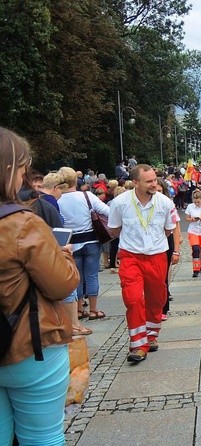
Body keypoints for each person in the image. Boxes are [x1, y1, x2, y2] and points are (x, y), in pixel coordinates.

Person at [0, 127, 80, 445]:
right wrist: (65, 258)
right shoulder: (22, 224)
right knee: (42, 437)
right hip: (27, 346)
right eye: (24, 165)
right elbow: (61, 285)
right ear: (9, 169)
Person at [108, 164, 179, 363]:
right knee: (133, 299)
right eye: (149, 181)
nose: (154, 184)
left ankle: (151, 335)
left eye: (155, 180)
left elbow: (169, 229)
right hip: (131, 257)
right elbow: (114, 230)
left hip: (157, 256)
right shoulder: (120, 202)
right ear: (136, 183)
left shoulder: (164, 202)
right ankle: (138, 344)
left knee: (157, 298)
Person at [58, 166, 110, 324]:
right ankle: (94, 309)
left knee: (76, 277)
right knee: (92, 275)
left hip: (70, 243)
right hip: (91, 241)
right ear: (75, 180)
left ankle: (79, 309)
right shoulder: (86, 196)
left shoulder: (57, 199)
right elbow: (107, 211)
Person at [156, 178, 181, 321]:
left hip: (166, 240)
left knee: (163, 276)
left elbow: (176, 227)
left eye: (160, 191)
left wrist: (176, 250)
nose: (157, 193)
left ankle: (163, 307)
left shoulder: (167, 204)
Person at [185, 190, 201, 278]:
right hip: (193, 231)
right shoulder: (190, 207)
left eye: (198, 202)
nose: (196, 204)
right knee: (195, 249)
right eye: (195, 202)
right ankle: (195, 269)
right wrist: (192, 219)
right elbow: (186, 218)